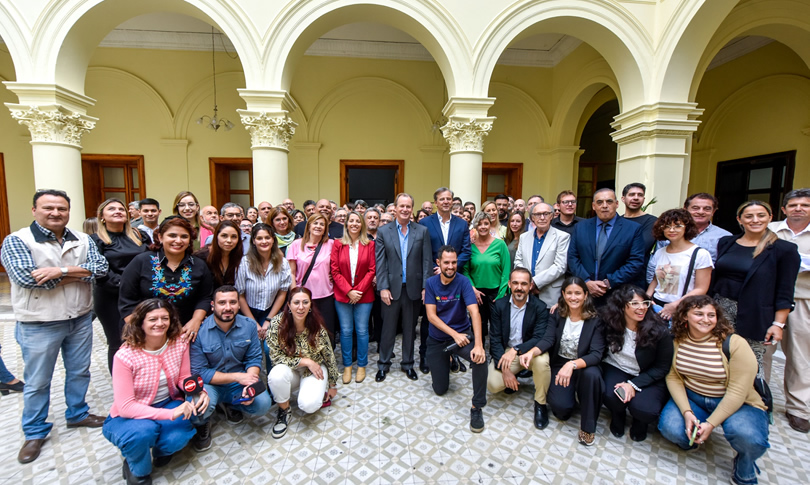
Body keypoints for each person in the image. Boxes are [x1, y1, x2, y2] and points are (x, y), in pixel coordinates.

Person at [1, 189, 109, 464]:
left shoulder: (82, 238)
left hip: (80, 317)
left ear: (68, 211)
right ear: (34, 210)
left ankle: (77, 413)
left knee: (79, 371)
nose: (55, 213)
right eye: (48, 208)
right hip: (39, 322)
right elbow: (28, 279)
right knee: (37, 381)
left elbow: (101, 269)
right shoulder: (17, 240)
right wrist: (79, 275)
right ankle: (35, 431)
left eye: (61, 208)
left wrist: (60, 271)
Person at [658, 295, 770, 485]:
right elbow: (674, 376)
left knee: (749, 437)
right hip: (694, 397)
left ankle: (744, 463)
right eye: (699, 314)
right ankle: (694, 435)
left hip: (738, 402)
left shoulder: (734, 344)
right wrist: (686, 412)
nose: (706, 319)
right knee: (671, 429)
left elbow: (737, 392)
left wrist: (710, 423)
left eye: (711, 315)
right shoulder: (678, 340)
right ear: (684, 316)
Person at [102, 299, 208, 485]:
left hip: (167, 401)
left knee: (179, 436)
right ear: (141, 322)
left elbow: (184, 377)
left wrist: (201, 391)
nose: (160, 323)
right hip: (130, 415)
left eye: (164, 318)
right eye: (153, 319)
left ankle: (160, 450)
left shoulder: (178, 343)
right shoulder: (125, 356)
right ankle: (136, 466)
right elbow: (126, 406)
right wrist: (168, 414)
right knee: (143, 432)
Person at [710, 200, 799, 381]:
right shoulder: (727, 242)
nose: (755, 220)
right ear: (740, 219)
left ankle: (753, 404)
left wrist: (778, 324)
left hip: (754, 313)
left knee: (749, 363)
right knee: (718, 359)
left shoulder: (783, 249)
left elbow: (785, 290)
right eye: (749, 216)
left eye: (761, 215)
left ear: (770, 218)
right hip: (720, 311)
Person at [523, 276, 604, 446]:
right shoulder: (557, 314)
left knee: (592, 376)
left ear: (585, 295)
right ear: (563, 294)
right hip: (560, 364)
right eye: (569, 293)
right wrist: (532, 352)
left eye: (578, 293)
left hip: (585, 366)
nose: (573, 297)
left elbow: (596, 354)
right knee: (561, 411)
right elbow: (548, 340)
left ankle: (588, 427)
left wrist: (572, 364)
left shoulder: (596, 319)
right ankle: (573, 393)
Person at [190, 286, 273, 450]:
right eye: (222, 302)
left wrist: (249, 382)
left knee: (263, 403)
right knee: (197, 407)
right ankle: (203, 424)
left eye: (232, 302)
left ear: (238, 305)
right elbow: (199, 372)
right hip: (211, 384)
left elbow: (254, 358)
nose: (228, 307)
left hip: (239, 383)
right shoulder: (199, 331)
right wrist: (238, 377)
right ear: (213, 306)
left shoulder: (249, 325)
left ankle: (231, 405)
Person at [119, 216, 214, 342]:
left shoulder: (199, 265)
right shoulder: (141, 262)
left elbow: (205, 297)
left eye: (184, 236)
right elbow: (127, 301)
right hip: (146, 334)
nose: (178, 241)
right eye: (172, 235)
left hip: (186, 332)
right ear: (160, 237)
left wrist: (196, 321)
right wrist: (141, 330)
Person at [424, 246, 488, 432]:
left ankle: (477, 407)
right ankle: (451, 358)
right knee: (440, 389)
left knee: (480, 359)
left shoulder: (464, 281)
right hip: (439, 339)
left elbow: (474, 312)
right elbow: (431, 316)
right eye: (446, 262)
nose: (451, 266)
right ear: (439, 263)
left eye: (454, 262)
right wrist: (454, 334)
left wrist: (478, 345)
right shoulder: (430, 283)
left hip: (463, 337)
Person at [601, 286, 672, 442]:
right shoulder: (610, 321)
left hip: (648, 373)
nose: (641, 308)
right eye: (634, 303)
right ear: (621, 305)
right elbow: (585, 312)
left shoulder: (660, 330)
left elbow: (662, 367)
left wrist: (632, 384)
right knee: (612, 396)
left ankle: (640, 423)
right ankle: (617, 415)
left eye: (645, 303)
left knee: (645, 410)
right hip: (617, 366)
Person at [374, 193, 432, 382]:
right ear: (395, 208)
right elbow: (380, 263)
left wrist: (425, 287)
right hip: (391, 289)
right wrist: (383, 287)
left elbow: (426, 261)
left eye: (408, 206)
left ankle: (407, 364)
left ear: (412, 209)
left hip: (413, 288)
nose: (405, 209)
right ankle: (383, 364)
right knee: (388, 329)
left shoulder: (422, 231)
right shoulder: (384, 231)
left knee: (409, 329)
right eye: (402, 206)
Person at [266, 288, 339, 438]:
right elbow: (275, 357)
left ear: (311, 305)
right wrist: (304, 361)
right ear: (289, 305)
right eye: (296, 302)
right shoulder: (276, 324)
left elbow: (329, 356)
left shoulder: (317, 326)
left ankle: (311, 389)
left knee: (308, 405)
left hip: (314, 370)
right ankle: (284, 411)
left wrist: (332, 385)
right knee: (276, 375)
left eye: (305, 302)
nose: (301, 307)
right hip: (290, 370)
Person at [487, 268, 551, 429]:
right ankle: (514, 376)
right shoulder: (499, 306)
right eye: (515, 283)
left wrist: (516, 349)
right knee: (493, 384)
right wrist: (506, 370)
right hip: (508, 352)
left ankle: (540, 403)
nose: (519, 287)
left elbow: (539, 337)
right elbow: (494, 339)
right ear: (509, 284)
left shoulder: (540, 307)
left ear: (530, 286)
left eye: (524, 283)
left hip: (531, 351)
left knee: (543, 362)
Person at [91, 198, 150, 372]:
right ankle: (121, 386)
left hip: (141, 296)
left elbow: (150, 262)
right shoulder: (96, 240)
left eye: (121, 209)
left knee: (144, 339)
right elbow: (101, 272)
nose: (118, 211)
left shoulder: (139, 236)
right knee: (119, 342)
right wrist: (130, 286)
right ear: (102, 216)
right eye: (111, 209)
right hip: (111, 297)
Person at [769, 189, 810, 432]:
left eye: (805, 205)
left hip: (803, 298)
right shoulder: (771, 229)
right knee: (760, 352)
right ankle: (758, 400)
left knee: (800, 354)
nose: (799, 208)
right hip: (769, 298)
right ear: (784, 209)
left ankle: (799, 408)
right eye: (793, 205)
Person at [419, 187, 472, 372]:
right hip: (432, 277)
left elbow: (466, 251)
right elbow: (423, 252)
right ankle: (425, 356)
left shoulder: (462, 224)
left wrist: (451, 266)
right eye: (442, 199)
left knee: (454, 316)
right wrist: (433, 270)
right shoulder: (425, 222)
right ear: (435, 202)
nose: (446, 202)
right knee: (430, 319)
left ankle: (453, 355)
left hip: (454, 278)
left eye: (449, 198)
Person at [567, 188, 646, 306]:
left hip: (617, 296)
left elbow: (635, 262)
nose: (604, 206)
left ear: (617, 204)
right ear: (594, 206)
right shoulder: (581, 227)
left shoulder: (633, 229)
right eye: (599, 202)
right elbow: (573, 257)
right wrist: (586, 281)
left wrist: (609, 282)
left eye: (609, 202)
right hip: (586, 295)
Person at [331, 212, 376, 384]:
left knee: (363, 331)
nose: (355, 224)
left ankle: (362, 365)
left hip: (364, 297)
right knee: (346, 331)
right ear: (346, 224)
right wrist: (349, 291)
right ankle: (348, 366)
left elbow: (372, 270)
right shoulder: (337, 244)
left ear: (362, 225)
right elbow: (334, 270)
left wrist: (358, 291)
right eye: (352, 221)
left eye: (358, 221)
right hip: (343, 296)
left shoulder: (369, 244)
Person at [646, 209, 713, 320]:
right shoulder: (660, 252)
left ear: (687, 227)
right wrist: (647, 298)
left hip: (683, 307)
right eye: (667, 226)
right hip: (656, 306)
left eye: (677, 226)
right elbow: (656, 280)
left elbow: (701, 288)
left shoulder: (700, 254)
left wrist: (675, 305)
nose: (671, 230)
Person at [236, 223, 292, 347]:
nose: (264, 241)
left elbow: (282, 294)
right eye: (259, 238)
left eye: (267, 237)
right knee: (249, 346)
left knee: (269, 347)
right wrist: (253, 323)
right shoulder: (245, 262)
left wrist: (268, 320)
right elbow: (240, 296)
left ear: (273, 240)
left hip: (271, 311)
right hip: (247, 312)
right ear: (254, 241)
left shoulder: (283, 263)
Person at [287, 213, 337, 348]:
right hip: (304, 296)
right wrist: (294, 294)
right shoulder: (296, 245)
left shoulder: (332, 244)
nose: (318, 226)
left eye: (322, 224)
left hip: (326, 295)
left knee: (327, 331)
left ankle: (328, 362)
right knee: (305, 331)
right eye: (315, 223)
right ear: (308, 226)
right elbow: (291, 272)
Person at [463, 212, 510, 337]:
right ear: (475, 226)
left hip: (496, 293)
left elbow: (506, 271)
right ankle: (479, 354)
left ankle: (497, 355)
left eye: (486, 223)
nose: (483, 227)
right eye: (480, 224)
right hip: (476, 293)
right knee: (478, 327)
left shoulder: (500, 245)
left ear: (491, 225)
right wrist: (472, 289)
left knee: (496, 328)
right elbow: (465, 271)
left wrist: (501, 295)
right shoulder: (470, 246)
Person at [514, 202, 570, 308]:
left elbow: (560, 266)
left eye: (546, 214)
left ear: (552, 216)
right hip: (527, 293)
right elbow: (518, 261)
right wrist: (526, 281)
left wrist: (535, 282)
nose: (542, 217)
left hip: (550, 295)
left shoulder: (562, 237)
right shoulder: (524, 237)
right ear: (532, 218)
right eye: (538, 214)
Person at [656, 193, 732, 263]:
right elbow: (657, 261)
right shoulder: (670, 232)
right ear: (685, 210)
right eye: (695, 208)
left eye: (707, 209)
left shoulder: (724, 236)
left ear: (713, 212)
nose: (701, 212)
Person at [622, 183, 657, 281]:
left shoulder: (652, 221)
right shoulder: (617, 221)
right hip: (615, 274)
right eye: (632, 194)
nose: (636, 198)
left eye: (640, 195)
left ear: (644, 199)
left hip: (638, 275)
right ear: (623, 199)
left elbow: (642, 247)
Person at [194, 221, 243, 287]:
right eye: (224, 236)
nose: (229, 240)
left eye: (234, 237)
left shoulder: (239, 258)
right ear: (216, 237)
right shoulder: (201, 257)